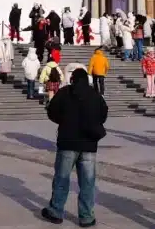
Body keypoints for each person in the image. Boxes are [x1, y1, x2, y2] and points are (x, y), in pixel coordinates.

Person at [40, 68, 108, 227]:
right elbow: (103, 114)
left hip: (68, 142)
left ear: (72, 79)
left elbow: (51, 110)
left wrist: (63, 121)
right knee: (87, 182)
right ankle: (86, 216)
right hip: (89, 144)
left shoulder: (65, 92)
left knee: (62, 179)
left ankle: (56, 211)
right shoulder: (94, 95)